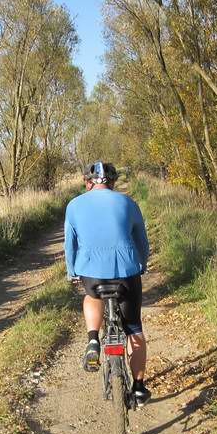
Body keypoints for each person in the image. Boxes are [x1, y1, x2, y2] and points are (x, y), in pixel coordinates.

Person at [63, 161, 152, 406]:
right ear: (112, 182)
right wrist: (141, 264)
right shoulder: (128, 203)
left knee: (91, 297)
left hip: (92, 274)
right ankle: (139, 387)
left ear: (88, 182)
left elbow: (70, 245)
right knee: (133, 327)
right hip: (127, 274)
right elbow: (142, 242)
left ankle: (93, 339)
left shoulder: (74, 205)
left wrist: (72, 271)